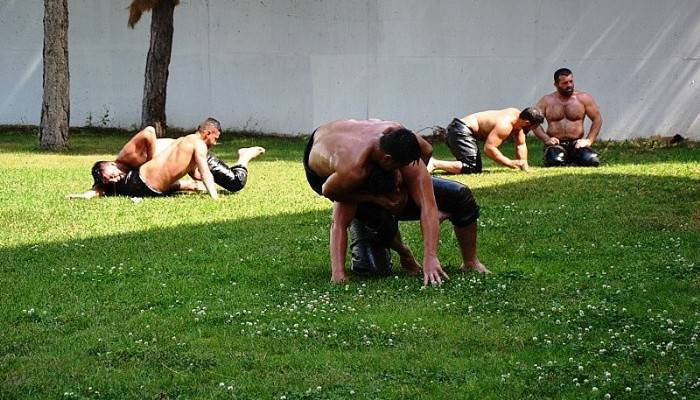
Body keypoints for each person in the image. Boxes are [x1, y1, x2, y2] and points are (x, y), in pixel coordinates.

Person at [303, 119, 486, 285]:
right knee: (374, 267)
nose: (407, 171)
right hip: (323, 164)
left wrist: (430, 257)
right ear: (388, 160)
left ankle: (470, 262)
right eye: (401, 169)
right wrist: (338, 273)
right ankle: (379, 227)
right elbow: (330, 195)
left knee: (459, 195)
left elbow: (428, 202)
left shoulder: (406, 142)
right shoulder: (353, 171)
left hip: (359, 140)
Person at [67, 118, 236, 199]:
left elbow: (200, 175)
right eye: (216, 138)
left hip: (155, 181)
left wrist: (205, 187)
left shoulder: (187, 143)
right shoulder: (197, 144)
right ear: (208, 133)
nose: (215, 142)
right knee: (112, 186)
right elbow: (205, 173)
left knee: (230, 182)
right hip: (147, 181)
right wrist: (215, 198)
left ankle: (244, 157)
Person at [428, 107, 544, 174]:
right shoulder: (505, 124)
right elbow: (489, 149)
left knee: (472, 166)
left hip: (461, 130)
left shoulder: (518, 119)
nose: (534, 130)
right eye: (535, 127)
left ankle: (440, 164)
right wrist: (509, 163)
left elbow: (521, 144)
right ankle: (434, 163)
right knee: (472, 168)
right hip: (460, 131)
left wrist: (524, 164)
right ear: (527, 123)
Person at [533, 68, 602, 167]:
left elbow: (597, 119)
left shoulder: (583, 98)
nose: (569, 85)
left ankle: (574, 157)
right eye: (565, 83)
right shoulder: (546, 100)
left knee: (591, 160)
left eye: (571, 81)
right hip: (556, 144)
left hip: (577, 144)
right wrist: (546, 139)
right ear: (556, 85)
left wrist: (589, 140)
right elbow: (533, 121)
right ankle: (559, 156)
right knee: (555, 162)